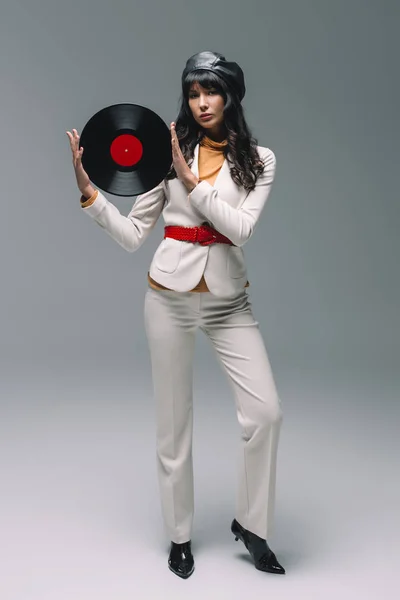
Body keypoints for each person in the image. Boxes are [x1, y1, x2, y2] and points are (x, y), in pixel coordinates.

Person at [66, 50, 285, 579]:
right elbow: (133, 235)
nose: (202, 102)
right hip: (168, 298)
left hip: (231, 301)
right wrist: (89, 192)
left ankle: (252, 525)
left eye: (212, 91)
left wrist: (191, 180)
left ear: (231, 96)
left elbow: (240, 229)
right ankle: (179, 537)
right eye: (193, 92)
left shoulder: (259, 159)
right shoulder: (164, 155)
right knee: (173, 425)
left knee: (266, 414)